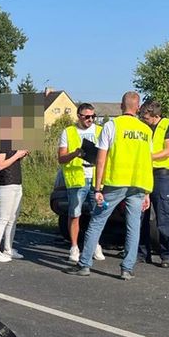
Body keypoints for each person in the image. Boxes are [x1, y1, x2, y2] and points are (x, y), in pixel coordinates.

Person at [68, 91, 152, 280]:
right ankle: (127, 268)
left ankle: (84, 264)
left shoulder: (112, 125)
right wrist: (147, 192)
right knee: (133, 226)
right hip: (138, 184)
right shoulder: (146, 131)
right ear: (138, 108)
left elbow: (101, 157)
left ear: (122, 106)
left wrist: (98, 188)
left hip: (115, 182)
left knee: (97, 221)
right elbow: (148, 161)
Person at [57, 103, 105, 264]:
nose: (90, 119)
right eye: (86, 117)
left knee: (96, 213)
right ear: (79, 116)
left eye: (93, 116)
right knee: (75, 213)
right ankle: (74, 246)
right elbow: (61, 158)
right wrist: (75, 153)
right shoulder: (68, 132)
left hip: (96, 177)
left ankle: (95, 244)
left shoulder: (100, 131)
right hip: (77, 178)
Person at [138, 100, 169, 267]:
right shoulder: (142, 127)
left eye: (146, 117)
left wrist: (147, 157)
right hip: (144, 173)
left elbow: (168, 150)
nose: (143, 120)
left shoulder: (168, 125)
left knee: (164, 215)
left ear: (155, 115)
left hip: (161, 175)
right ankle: (142, 253)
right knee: (141, 216)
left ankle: (166, 255)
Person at [0, 142, 28, 262]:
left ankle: (8, 249)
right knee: (3, 219)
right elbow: (0, 165)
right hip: (7, 185)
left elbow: (12, 160)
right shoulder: (1, 143)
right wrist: (17, 155)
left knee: (13, 219)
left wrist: (21, 155)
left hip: (16, 183)